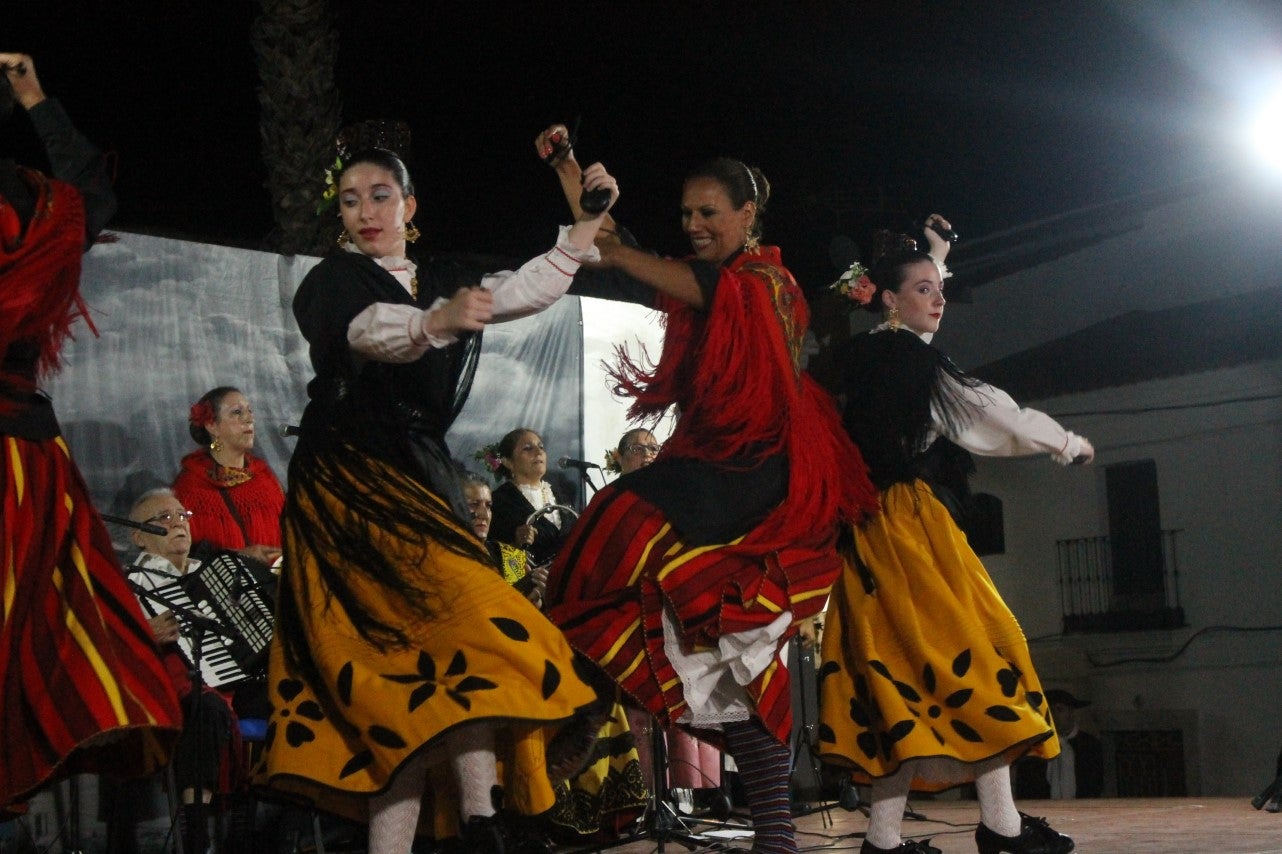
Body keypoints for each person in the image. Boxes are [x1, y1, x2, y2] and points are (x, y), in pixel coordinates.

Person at [254, 140, 620, 854]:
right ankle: (479, 823)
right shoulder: (336, 282)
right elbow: (366, 335)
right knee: (400, 674)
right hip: (348, 481)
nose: (365, 211)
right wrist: (431, 324)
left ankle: (479, 821)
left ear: (410, 206)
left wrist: (581, 227)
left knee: (449, 658)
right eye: (352, 198)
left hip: (419, 474)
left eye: (381, 195)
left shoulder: (440, 278)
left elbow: (519, 290)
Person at [538, 125, 879, 853]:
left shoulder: (765, 282)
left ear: (747, 214)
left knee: (615, 518)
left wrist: (608, 244)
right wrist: (572, 173)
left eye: (708, 214)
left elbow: (635, 258)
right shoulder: (715, 278)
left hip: (755, 477)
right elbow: (614, 241)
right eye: (686, 215)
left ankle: (591, 697)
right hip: (714, 470)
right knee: (724, 661)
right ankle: (775, 836)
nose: (693, 226)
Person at [815, 222, 1090, 854]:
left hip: (863, 532)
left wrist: (932, 260)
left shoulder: (858, 358)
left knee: (902, 685)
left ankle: (891, 840)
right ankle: (999, 828)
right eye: (923, 291)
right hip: (908, 529)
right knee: (985, 654)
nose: (938, 299)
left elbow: (914, 328)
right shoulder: (914, 362)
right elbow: (989, 415)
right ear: (887, 298)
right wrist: (1065, 444)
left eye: (939, 289)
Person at [0, 52, 181, 817]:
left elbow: (89, 198)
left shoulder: (28, 196)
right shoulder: (39, 201)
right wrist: (37, 98)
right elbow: (91, 195)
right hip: (25, 455)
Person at [460, 470, 647, 844]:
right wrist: (520, 591)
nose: (482, 513)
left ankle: (589, 811)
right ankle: (537, 814)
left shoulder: (511, 556)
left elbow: (530, 618)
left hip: (523, 657)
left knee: (599, 687)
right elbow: (470, 619)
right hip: (480, 667)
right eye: (473, 506)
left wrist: (541, 594)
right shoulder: (452, 556)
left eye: (488, 505)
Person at [123, 489, 244, 854]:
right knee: (203, 708)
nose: (178, 522)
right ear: (138, 536)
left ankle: (265, 831)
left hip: (237, 682)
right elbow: (109, 650)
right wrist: (147, 635)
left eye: (182, 515)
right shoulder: (130, 583)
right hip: (169, 689)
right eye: (163, 518)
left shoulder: (215, 573)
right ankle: (197, 832)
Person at [173, 386, 285, 565]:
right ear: (212, 425)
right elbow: (183, 558)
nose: (249, 419)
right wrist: (237, 558)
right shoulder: (189, 489)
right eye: (237, 413)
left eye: (249, 411)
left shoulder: (265, 479)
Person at [487, 427, 570, 569]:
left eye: (541, 447)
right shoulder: (500, 501)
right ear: (508, 462)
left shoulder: (559, 494)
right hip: (528, 588)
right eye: (527, 448)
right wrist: (516, 544)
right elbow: (499, 562)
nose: (538, 452)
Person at [1012, 689, 1104, 800]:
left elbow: (1095, 784)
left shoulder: (1089, 745)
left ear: (1072, 713)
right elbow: (1026, 787)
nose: (1054, 716)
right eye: (1050, 711)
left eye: (1060, 710)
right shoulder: (1035, 747)